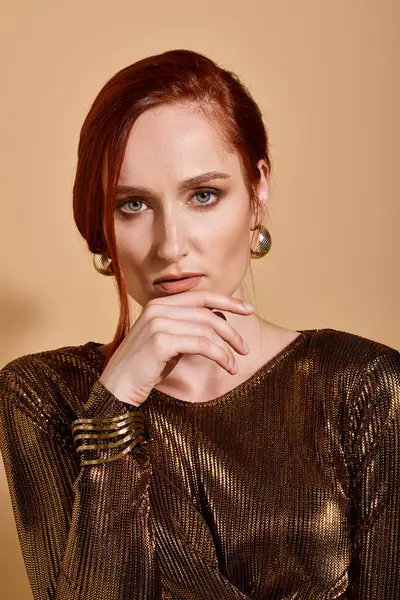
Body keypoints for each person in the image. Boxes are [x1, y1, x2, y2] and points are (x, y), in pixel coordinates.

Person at [0, 48, 399, 600]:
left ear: (258, 192)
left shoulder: (366, 387)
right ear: (101, 224)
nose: (170, 245)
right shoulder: (42, 396)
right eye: (133, 205)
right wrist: (113, 406)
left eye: (203, 195)